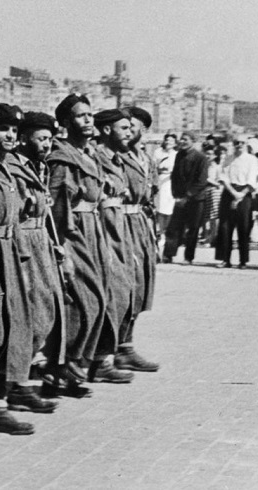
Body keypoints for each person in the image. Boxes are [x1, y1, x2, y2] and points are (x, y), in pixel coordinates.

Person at [0, 102, 50, 434]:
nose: (10, 136)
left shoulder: (6, 169)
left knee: (16, 325)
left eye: (15, 131)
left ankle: (2, 399)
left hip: (10, 252)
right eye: (4, 130)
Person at [46, 93, 108, 398]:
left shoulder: (87, 154)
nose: (88, 120)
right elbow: (58, 208)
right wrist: (62, 250)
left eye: (90, 115)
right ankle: (60, 370)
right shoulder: (62, 158)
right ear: (66, 122)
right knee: (83, 301)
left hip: (92, 233)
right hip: (73, 235)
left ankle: (72, 368)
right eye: (81, 116)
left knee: (96, 299)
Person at [5, 110, 70, 394]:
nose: (47, 145)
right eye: (41, 138)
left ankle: (30, 372)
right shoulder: (10, 167)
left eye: (50, 139)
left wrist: (55, 245)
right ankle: (17, 384)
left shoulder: (37, 167)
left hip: (41, 245)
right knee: (29, 313)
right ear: (22, 139)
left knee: (46, 311)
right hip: (23, 248)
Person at [90, 108, 136, 384]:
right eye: (124, 129)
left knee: (122, 293)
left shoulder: (115, 158)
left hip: (118, 229)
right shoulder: (96, 156)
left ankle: (104, 357)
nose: (129, 134)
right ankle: (98, 361)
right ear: (106, 130)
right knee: (110, 294)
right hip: (102, 231)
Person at [117, 107, 158, 373]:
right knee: (124, 287)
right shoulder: (115, 156)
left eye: (136, 126)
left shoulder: (146, 158)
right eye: (127, 125)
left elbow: (151, 196)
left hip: (141, 225)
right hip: (121, 222)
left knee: (141, 286)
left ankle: (126, 346)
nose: (131, 130)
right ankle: (113, 349)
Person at [161, 132, 209, 265]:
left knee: (193, 229)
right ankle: (168, 255)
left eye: (185, 139)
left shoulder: (201, 158)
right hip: (179, 198)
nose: (182, 141)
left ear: (193, 141)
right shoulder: (179, 155)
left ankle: (189, 257)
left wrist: (187, 196)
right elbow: (175, 176)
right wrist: (176, 195)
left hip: (196, 199)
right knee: (173, 228)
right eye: (181, 139)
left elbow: (201, 181)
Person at [217, 135, 258, 268]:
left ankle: (243, 261)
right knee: (225, 227)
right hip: (229, 192)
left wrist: (241, 195)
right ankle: (225, 259)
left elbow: (252, 180)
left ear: (246, 144)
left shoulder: (252, 160)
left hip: (244, 193)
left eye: (242, 143)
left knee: (244, 227)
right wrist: (233, 193)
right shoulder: (228, 158)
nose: (239, 145)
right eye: (236, 142)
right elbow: (223, 177)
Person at [153, 133, 177, 259]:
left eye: (171, 141)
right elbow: (153, 167)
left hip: (171, 185)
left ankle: (166, 241)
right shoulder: (158, 152)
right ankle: (159, 240)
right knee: (159, 213)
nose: (168, 143)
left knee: (169, 213)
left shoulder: (176, 154)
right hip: (160, 184)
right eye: (167, 140)